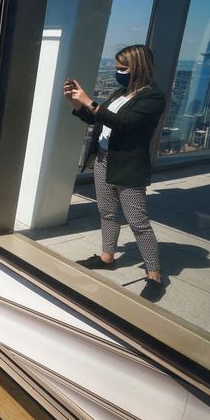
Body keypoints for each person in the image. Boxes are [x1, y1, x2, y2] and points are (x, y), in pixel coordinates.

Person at [63, 45, 167, 302]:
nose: (117, 71)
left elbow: (125, 124)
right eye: (117, 66)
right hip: (103, 158)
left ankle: (154, 274)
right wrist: (77, 105)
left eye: (123, 67)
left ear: (139, 68)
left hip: (129, 164)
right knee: (107, 212)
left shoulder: (152, 98)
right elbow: (100, 120)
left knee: (137, 220)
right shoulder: (120, 93)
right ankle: (107, 257)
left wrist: (90, 101)